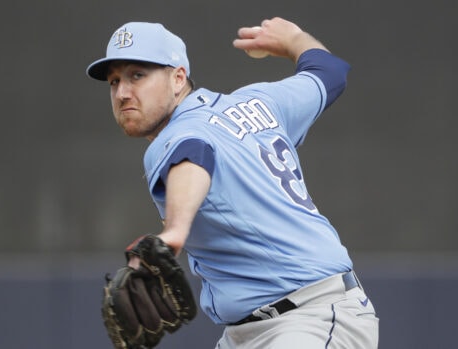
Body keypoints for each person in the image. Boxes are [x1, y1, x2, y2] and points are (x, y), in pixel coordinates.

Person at [86, 17, 379, 348]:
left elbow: (194, 156)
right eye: (113, 82)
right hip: (249, 333)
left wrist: (174, 232)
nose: (123, 92)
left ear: (178, 77)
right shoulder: (261, 102)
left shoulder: (176, 137)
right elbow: (329, 73)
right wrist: (296, 38)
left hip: (309, 319)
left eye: (137, 75)